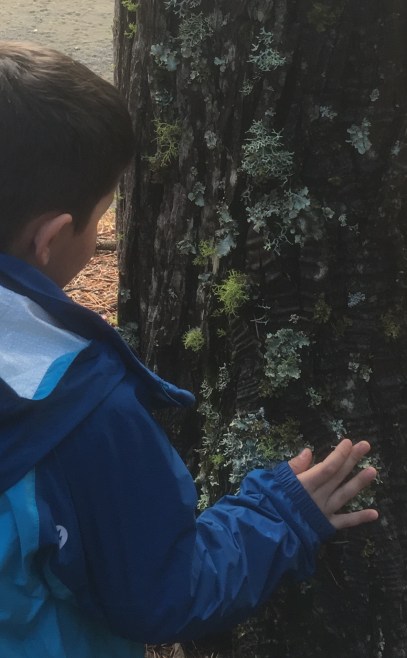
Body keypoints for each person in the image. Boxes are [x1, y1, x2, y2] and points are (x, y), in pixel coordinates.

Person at [0, 42, 378, 658]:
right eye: (101, 215)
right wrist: (278, 517)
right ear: (52, 237)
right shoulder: (79, 414)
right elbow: (160, 593)